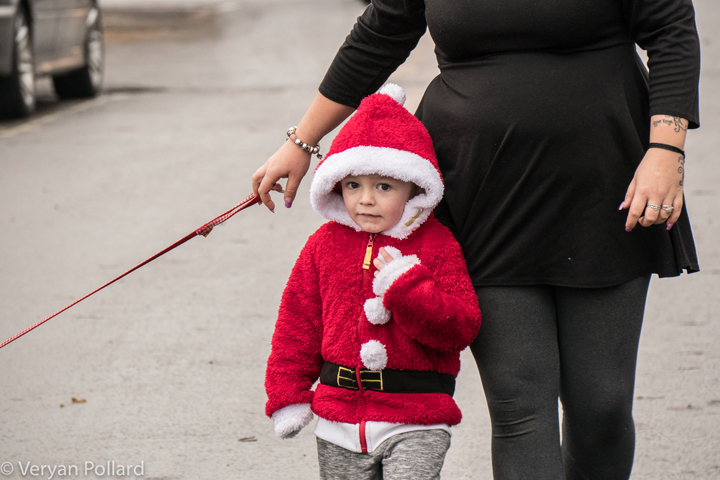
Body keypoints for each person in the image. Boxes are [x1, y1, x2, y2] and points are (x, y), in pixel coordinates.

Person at [253, 1, 701, 478]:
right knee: (519, 408)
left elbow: (670, 27)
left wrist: (666, 149)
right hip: (479, 195)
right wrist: (301, 141)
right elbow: (381, 32)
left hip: (604, 185)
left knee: (602, 408)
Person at [264, 84, 482, 480]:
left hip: (416, 416)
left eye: (383, 186)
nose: (365, 199)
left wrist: (408, 289)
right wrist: (287, 394)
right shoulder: (322, 246)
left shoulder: (436, 245)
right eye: (353, 185)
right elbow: (297, 325)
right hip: (338, 419)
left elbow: (461, 327)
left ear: (414, 186)